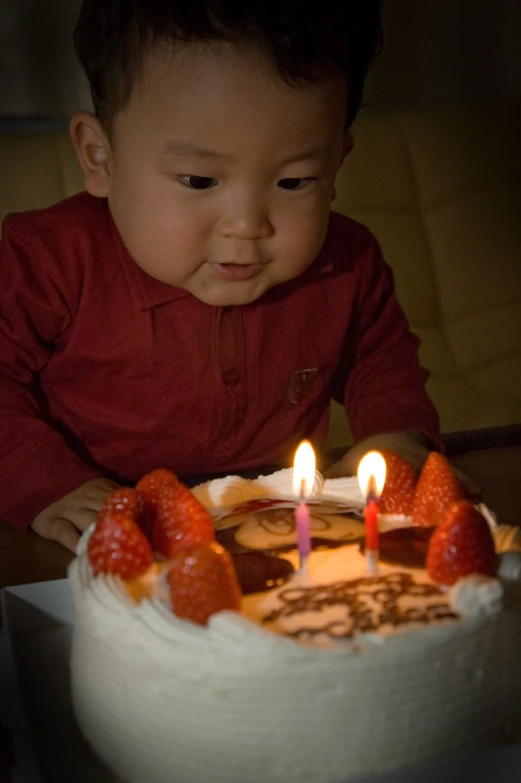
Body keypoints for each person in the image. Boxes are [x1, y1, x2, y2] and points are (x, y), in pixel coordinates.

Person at [0, 0, 442, 553]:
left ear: (336, 165)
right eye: (199, 179)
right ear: (100, 158)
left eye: (294, 181)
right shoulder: (48, 258)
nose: (246, 225)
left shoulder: (347, 262)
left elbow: (382, 362)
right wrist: (46, 484)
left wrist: (393, 437)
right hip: (96, 534)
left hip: (275, 531)